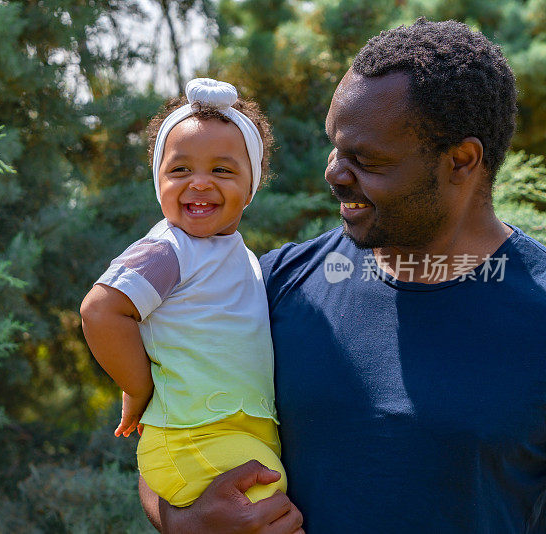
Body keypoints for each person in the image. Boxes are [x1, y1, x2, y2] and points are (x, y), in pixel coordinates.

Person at [140, 18, 546, 533]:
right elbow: (168, 429)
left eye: (366, 159)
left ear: (462, 161)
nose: (334, 171)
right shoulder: (269, 287)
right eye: (336, 146)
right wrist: (183, 521)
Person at [81, 78, 287, 508]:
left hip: (235, 435)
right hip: (190, 436)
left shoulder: (243, 258)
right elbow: (101, 311)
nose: (198, 183)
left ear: (254, 182)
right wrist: (139, 388)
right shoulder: (168, 249)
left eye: (222, 170)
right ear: (158, 180)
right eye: (180, 169)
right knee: (270, 509)